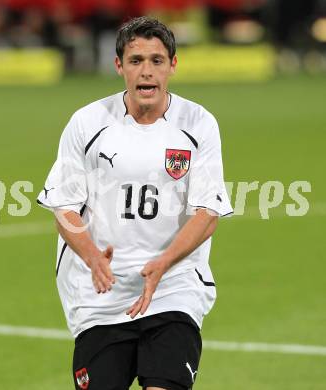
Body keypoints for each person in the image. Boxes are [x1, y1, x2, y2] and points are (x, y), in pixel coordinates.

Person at [37, 16, 233, 390]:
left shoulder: (198, 123)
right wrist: (93, 257)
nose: (147, 72)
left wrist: (163, 263)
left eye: (157, 61)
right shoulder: (87, 123)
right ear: (119, 66)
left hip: (173, 286)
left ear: (173, 65)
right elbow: (63, 206)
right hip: (100, 296)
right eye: (136, 60)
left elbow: (207, 212)